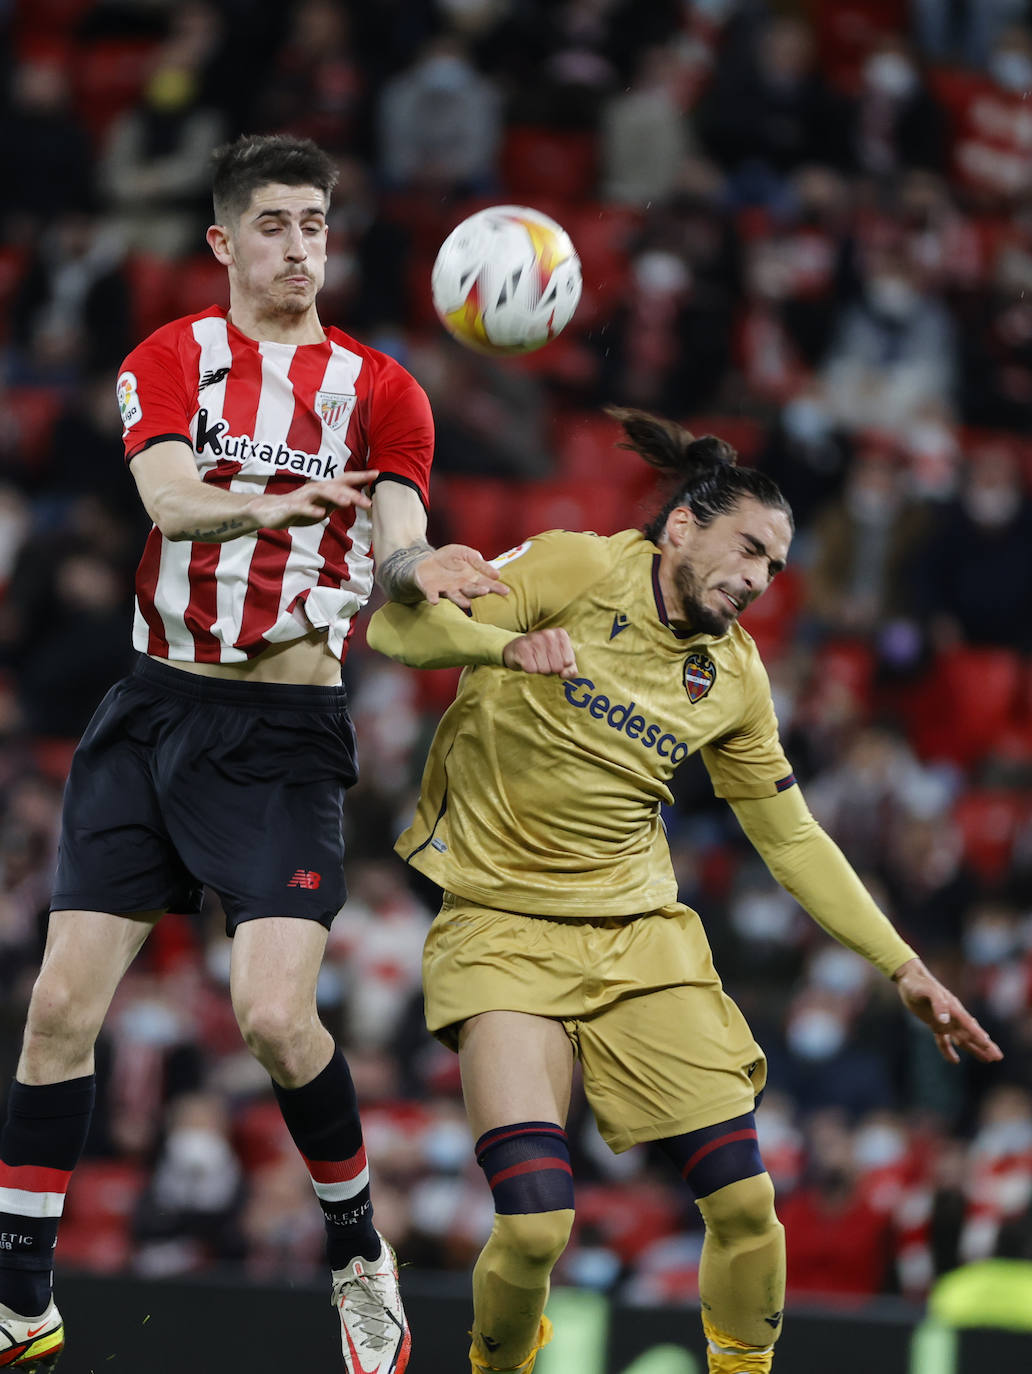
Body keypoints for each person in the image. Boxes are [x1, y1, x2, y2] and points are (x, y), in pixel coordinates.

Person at [0, 133, 507, 1374]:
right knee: (59, 1008)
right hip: (153, 710)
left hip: (283, 733)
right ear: (225, 242)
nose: (300, 247)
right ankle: (21, 1296)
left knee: (276, 1019)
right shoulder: (168, 357)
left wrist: (425, 574)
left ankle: (357, 1256)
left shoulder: (384, 389)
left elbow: (393, 547)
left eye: (317, 225)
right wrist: (271, 507)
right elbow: (169, 503)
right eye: (275, 225)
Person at [365, 408, 1002, 1374]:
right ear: (681, 528)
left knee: (749, 1211)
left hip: (637, 939)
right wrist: (500, 647)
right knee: (536, 1228)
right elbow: (396, 630)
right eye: (747, 548)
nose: (756, 579)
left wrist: (903, 966)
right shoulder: (578, 568)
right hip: (499, 930)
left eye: (775, 569)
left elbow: (789, 836)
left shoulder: (736, 678)